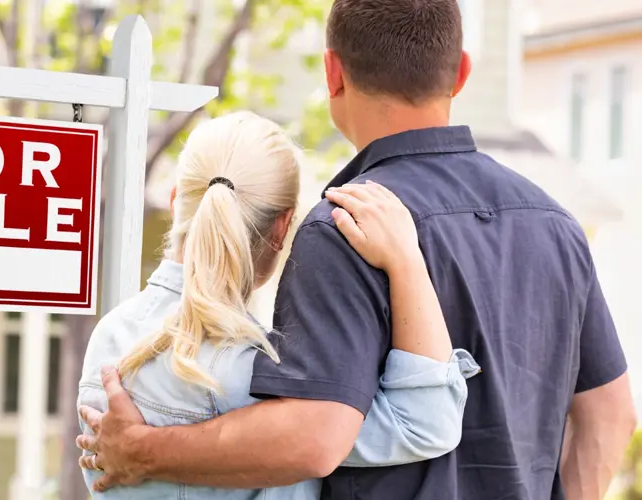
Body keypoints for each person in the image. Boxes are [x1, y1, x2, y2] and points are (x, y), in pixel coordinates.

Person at [77, 0, 637, 498]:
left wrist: (144, 450)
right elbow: (610, 415)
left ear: (332, 71)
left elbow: (314, 435)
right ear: (463, 73)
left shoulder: (343, 229)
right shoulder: (556, 225)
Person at [76, 110, 480, 499]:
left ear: (176, 197)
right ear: (284, 226)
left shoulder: (109, 338)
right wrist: (406, 259)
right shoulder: (256, 372)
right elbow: (425, 422)